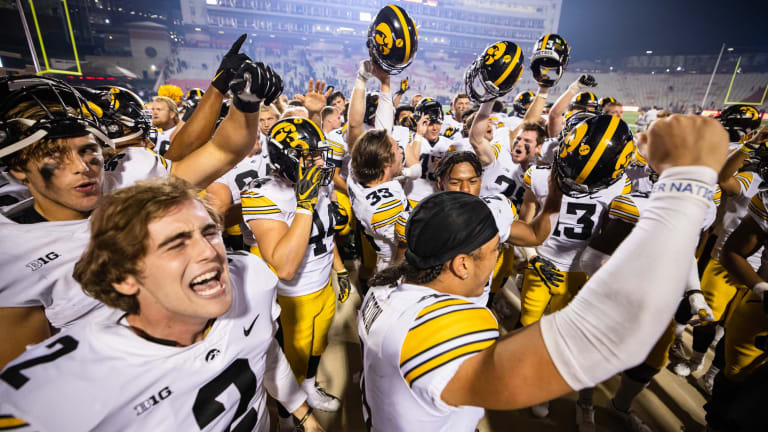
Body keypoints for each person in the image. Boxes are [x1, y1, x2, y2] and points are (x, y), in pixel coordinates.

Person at [358, 114, 728, 432]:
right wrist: (687, 182)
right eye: (493, 251)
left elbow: (532, 233)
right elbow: (588, 348)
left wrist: (552, 198)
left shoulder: (385, 288)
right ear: (462, 264)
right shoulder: (452, 327)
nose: (500, 258)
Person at [0, 43, 278, 369]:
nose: (82, 167)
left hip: (197, 348)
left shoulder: (129, 174)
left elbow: (223, 151)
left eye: (88, 149)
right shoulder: (12, 251)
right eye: (55, 157)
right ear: (18, 169)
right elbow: (32, 374)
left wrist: (246, 103)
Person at [0, 178, 324, 431]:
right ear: (125, 277)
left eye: (209, 233)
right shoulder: (53, 389)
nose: (209, 252)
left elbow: (262, 346)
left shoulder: (251, 278)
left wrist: (302, 411)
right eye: (175, 244)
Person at [240, 117, 346, 420]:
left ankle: (310, 387)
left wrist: (339, 270)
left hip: (323, 283)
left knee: (318, 345)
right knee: (290, 361)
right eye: (311, 156)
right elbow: (284, 267)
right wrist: (304, 203)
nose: (320, 162)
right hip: (291, 296)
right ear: (286, 158)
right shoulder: (261, 193)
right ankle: (290, 418)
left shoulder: (318, 181)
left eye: (319, 154)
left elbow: (325, 234)